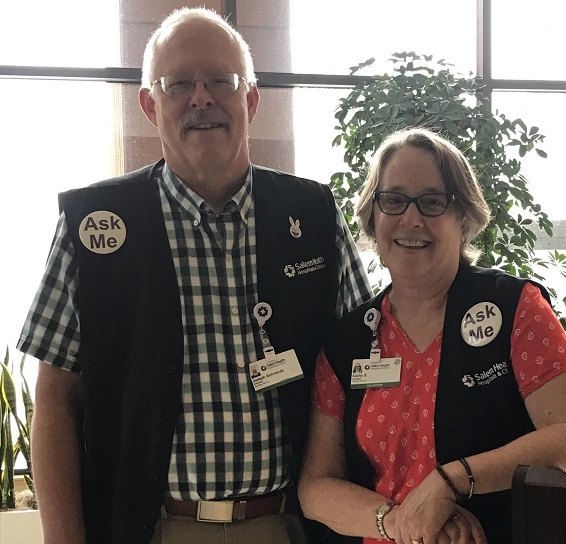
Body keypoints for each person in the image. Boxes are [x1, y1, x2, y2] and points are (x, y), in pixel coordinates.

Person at [17, 7, 371, 544]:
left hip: (292, 526)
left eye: (220, 81)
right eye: (179, 83)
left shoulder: (316, 215)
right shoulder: (94, 227)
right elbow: (56, 398)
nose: (201, 97)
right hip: (152, 528)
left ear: (250, 98)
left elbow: (363, 367)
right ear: (148, 103)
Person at [297, 127, 566, 544]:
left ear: (463, 218)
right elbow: (315, 488)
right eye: (393, 200)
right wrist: (400, 521)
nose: (411, 219)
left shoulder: (512, 309)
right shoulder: (347, 341)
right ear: (373, 217)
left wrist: (452, 482)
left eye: (432, 201)